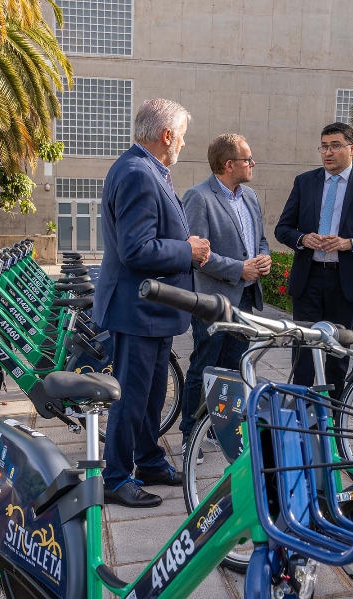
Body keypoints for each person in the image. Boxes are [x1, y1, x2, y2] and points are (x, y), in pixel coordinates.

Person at [93, 98, 211, 508]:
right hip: (137, 310)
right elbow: (136, 249)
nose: (182, 143)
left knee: (150, 395)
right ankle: (116, 476)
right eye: (181, 136)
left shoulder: (147, 170)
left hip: (153, 311)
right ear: (167, 136)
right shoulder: (137, 173)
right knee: (130, 397)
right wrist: (187, 249)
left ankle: (149, 460)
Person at [274, 123, 353, 396]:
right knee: (303, 353)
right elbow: (282, 229)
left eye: (335, 146)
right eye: (324, 146)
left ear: (352, 149)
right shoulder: (305, 182)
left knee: (338, 356)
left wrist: (350, 243)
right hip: (308, 279)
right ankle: (301, 417)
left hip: (346, 282)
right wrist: (303, 239)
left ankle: (333, 420)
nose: (328, 152)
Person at [180, 134, 270, 459]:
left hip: (245, 299)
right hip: (213, 300)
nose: (253, 164)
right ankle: (190, 434)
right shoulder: (198, 197)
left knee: (234, 367)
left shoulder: (251, 197)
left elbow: (259, 239)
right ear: (229, 164)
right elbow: (198, 255)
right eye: (248, 159)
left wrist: (263, 258)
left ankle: (222, 430)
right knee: (205, 365)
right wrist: (239, 269)